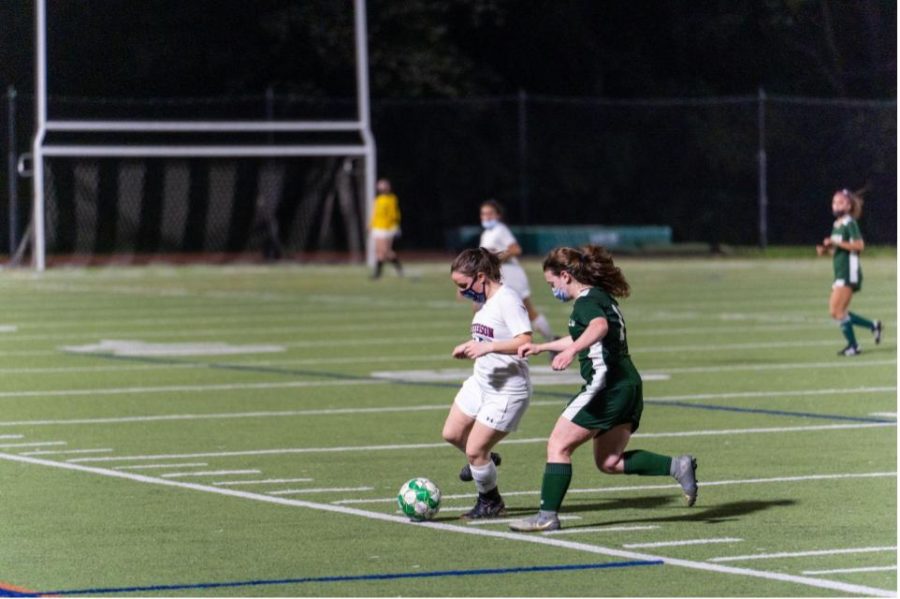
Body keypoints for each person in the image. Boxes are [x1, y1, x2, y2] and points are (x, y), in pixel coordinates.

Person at [508, 245, 697, 533]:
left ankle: (547, 515)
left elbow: (598, 328)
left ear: (566, 276)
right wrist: (541, 347)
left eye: (552, 283)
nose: (552, 289)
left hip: (606, 387)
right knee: (609, 461)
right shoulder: (599, 297)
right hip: (626, 384)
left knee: (558, 446)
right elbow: (585, 334)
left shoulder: (586, 303)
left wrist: (571, 351)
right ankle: (677, 466)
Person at [443, 247, 533, 519]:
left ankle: (491, 502)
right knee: (452, 434)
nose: (461, 292)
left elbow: (525, 341)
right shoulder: (484, 301)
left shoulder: (508, 299)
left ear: (481, 277)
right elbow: (486, 337)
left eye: (463, 285)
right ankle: (485, 461)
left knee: (474, 450)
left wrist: (488, 348)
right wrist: (473, 346)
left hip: (507, 390)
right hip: (481, 382)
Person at [478, 200, 557, 343]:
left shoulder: (500, 230)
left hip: (511, 274)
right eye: (483, 213)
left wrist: (497, 258)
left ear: (498, 215)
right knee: (486, 306)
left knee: (527, 310)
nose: (486, 216)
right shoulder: (486, 234)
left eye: (490, 213)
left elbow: (516, 249)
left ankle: (550, 340)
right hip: (498, 276)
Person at [815, 188, 882, 356]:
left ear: (849, 205)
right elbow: (839, 249)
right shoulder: (837, 224)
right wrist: (826, 250)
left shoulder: (849, 223)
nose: (836, 205)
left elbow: (859, 246)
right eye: (834, 202)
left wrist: (836, 244)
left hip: (849, 272)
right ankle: (873, 326)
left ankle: (854, 346)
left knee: (837, 312)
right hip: (840, 271)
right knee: (836, 312)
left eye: (841, 202)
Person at [369, 178, 403, 278]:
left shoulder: (392, 199)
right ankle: (378, 274)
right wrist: (370, 225)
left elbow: (394, 214)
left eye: (384, 185)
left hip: (387, 227)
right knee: (379, 252)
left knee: (386, 251)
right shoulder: (378, 199)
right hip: (377, 227)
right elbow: (374, 214)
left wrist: (395, 225)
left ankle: (398, 269)